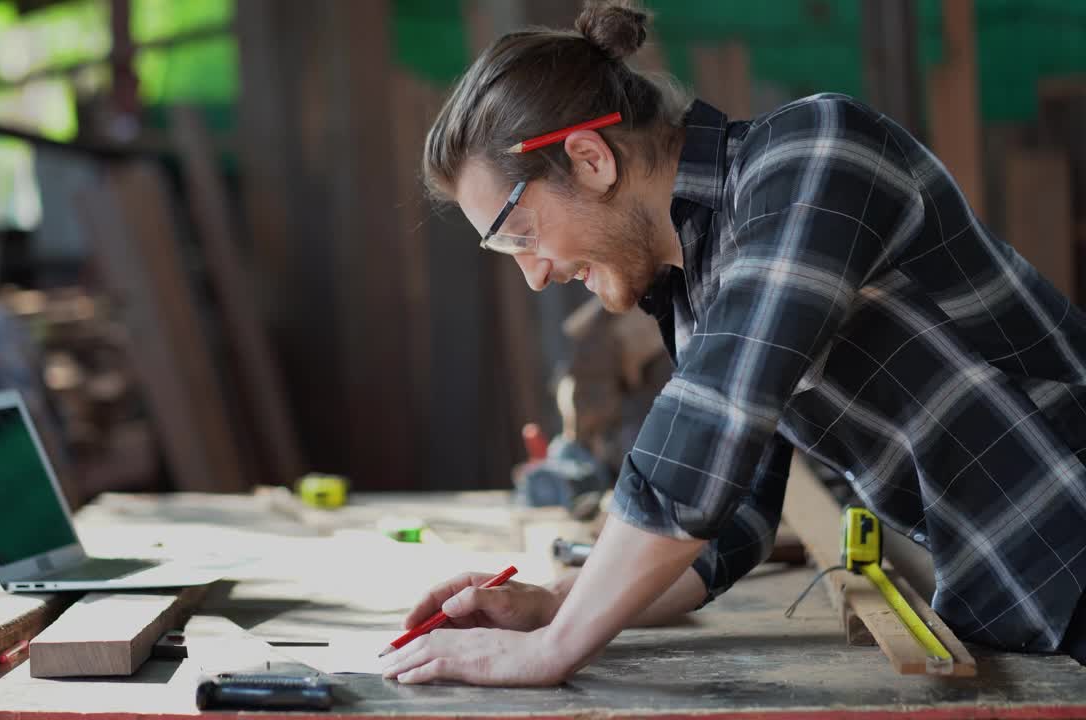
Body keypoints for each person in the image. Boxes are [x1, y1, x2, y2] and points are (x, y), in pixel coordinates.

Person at [378, 0, 1086, 686]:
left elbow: (709, 431)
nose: (533, 275)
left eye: (521, 235)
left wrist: (556, 650)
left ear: (590, 158)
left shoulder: (813, 156)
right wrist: (561, 602)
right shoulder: (694, 285)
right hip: (1026, 604)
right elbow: (733, 516)